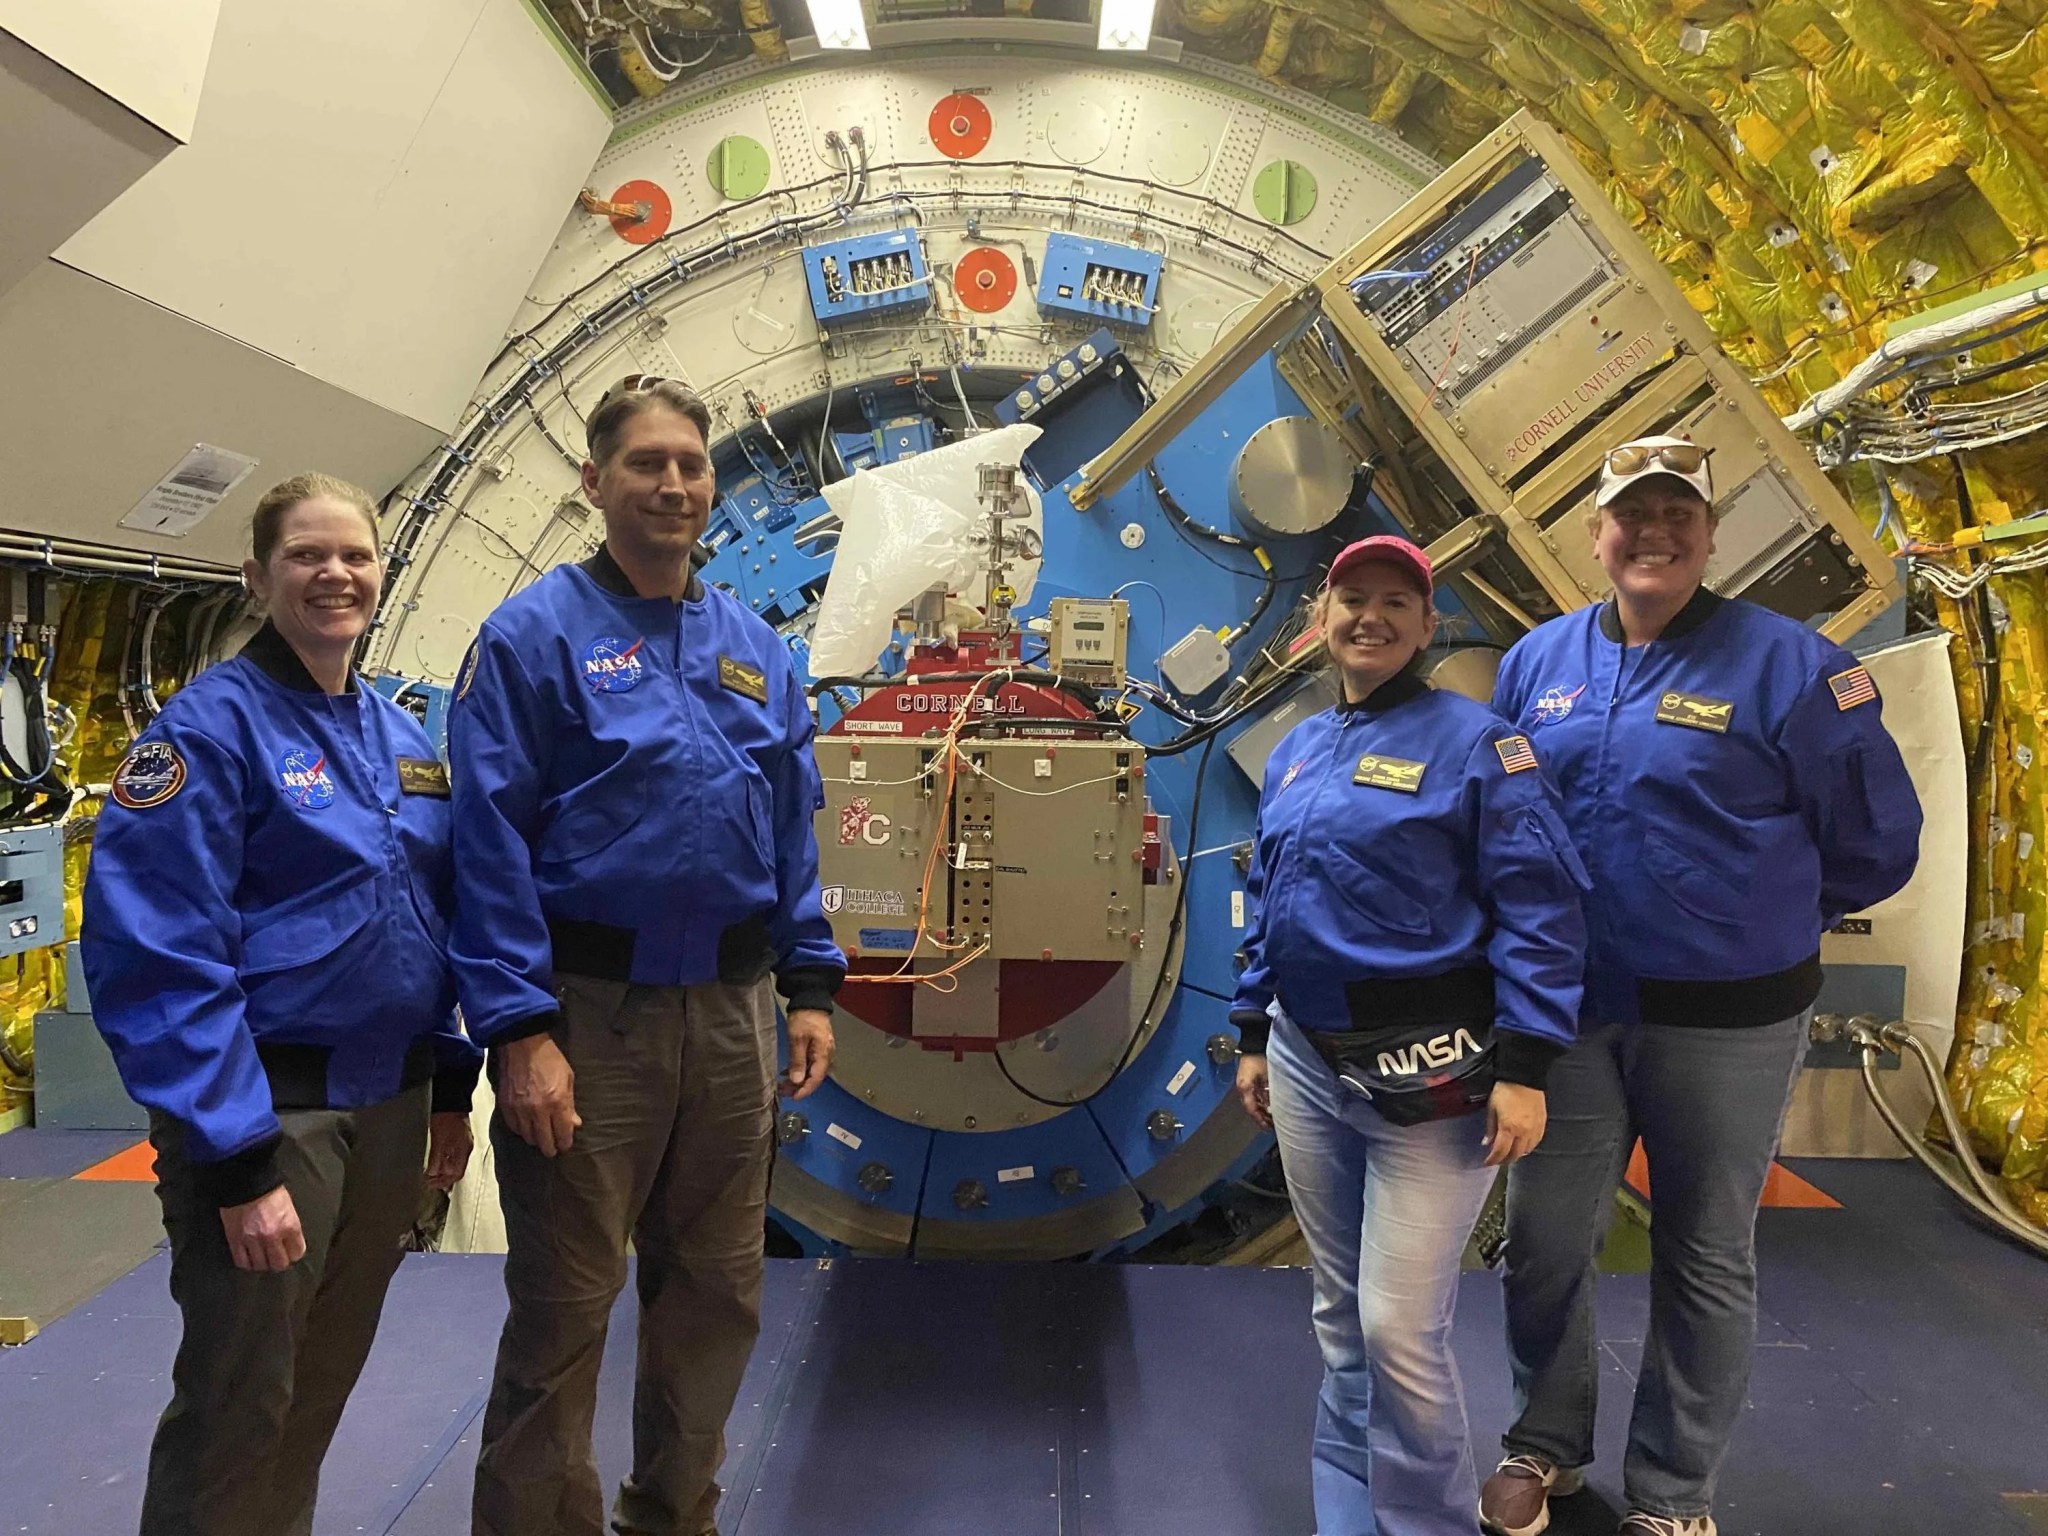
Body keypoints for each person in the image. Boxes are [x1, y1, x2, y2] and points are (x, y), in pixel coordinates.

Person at [1478, 437, 1923, 1536]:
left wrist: (1756, 916)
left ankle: (1674, 1491)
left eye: (1679, 512)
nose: (1654, 532)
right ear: (1596, 533)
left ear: (1711, 535)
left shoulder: (1794, 668)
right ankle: (1545, 1446)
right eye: (1632, 514)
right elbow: (1508, 826)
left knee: (1703, 1248)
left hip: (1729, 1020)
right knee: (1540, 1242)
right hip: (1570, 1015)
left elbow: (1875, 839)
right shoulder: (1537, 664)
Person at [451, 374, 845, 1536]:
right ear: (593, 482)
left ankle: (672, 1517)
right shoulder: (530, 640)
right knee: (567, 1303)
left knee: (716, 1294)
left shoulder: (751, 649)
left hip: (730, 1015)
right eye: (645, 464)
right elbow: (485, 845)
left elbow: (789, 827)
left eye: (688, 464)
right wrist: (519, 1032)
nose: (672, 484)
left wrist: (808, 980)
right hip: (587, 1015)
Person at [81, 472, 480, 1536]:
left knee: (315, 1395)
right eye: (307, 555)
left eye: (353, 554)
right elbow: (156, 954)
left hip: (389, 1114)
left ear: (381, 574)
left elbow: (425, 926)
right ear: (258, 577)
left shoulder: (398, 741)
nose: (334, 574)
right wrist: (237, 1159)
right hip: (273, 1117)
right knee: (238, 1404)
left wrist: (449, 1083)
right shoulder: (207, 735)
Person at [1229, 535, 1588, 1536]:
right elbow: (1270, 898)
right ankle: (1350, 1515)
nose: (1369, 617)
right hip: (1306, 1060)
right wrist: (1252, 1029)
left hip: (1431, 1078)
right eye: (1351, 598)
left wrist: (1524, 1064)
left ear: (1428, 626)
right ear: (1321, 618)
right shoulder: (1298, 747)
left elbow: (1541, 911)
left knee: (1397, 1327)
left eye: (1395, 601)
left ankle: (1424, 1521)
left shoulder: (1475, 746)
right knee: (1340, 1321)